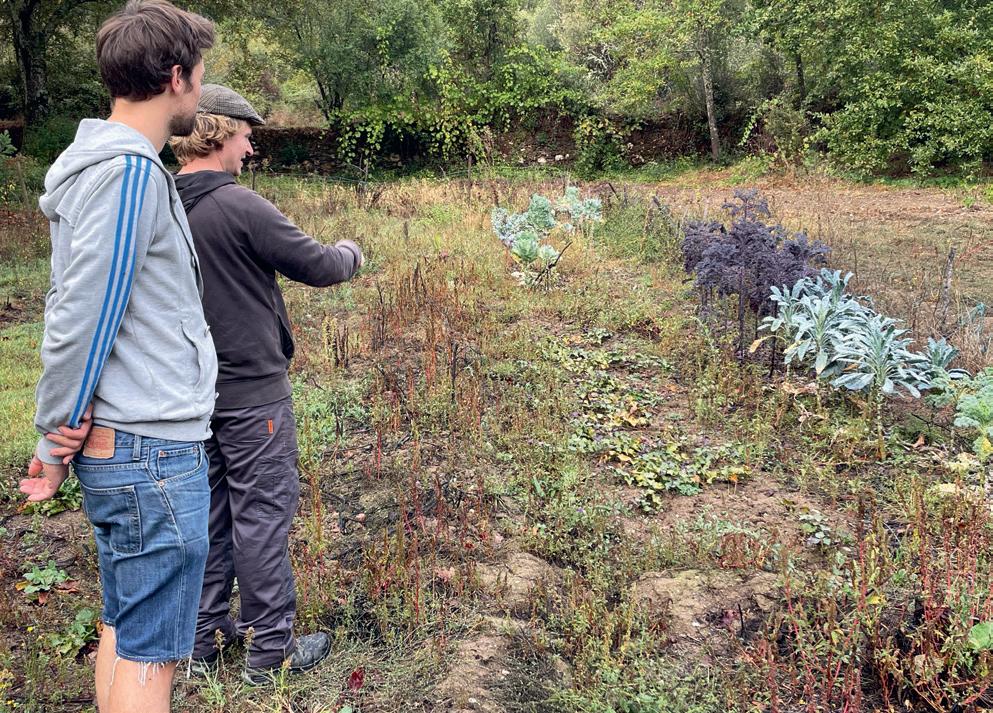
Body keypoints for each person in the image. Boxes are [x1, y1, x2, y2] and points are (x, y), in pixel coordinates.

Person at [21, 2, 217, 711]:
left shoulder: (103, 168)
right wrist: (54, 432)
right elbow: (84, 314)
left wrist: (61, 434)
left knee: (128, 627)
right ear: (176, 77)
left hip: (131, 447)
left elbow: (80, 305)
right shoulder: (129, 174)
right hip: (149, 450)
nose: (201, 90)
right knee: (151, 652)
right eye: (200, 75)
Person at [169, 85, 363, 685]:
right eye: (246, 136)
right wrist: (352, 251)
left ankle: (202, 640)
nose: (250, 148)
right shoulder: (239, 206)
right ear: (218, 134)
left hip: (188, 397)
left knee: (210, 516)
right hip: (253, 396)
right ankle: (270, 651)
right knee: (262, 514)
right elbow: (320, 266)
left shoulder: (162, 204)